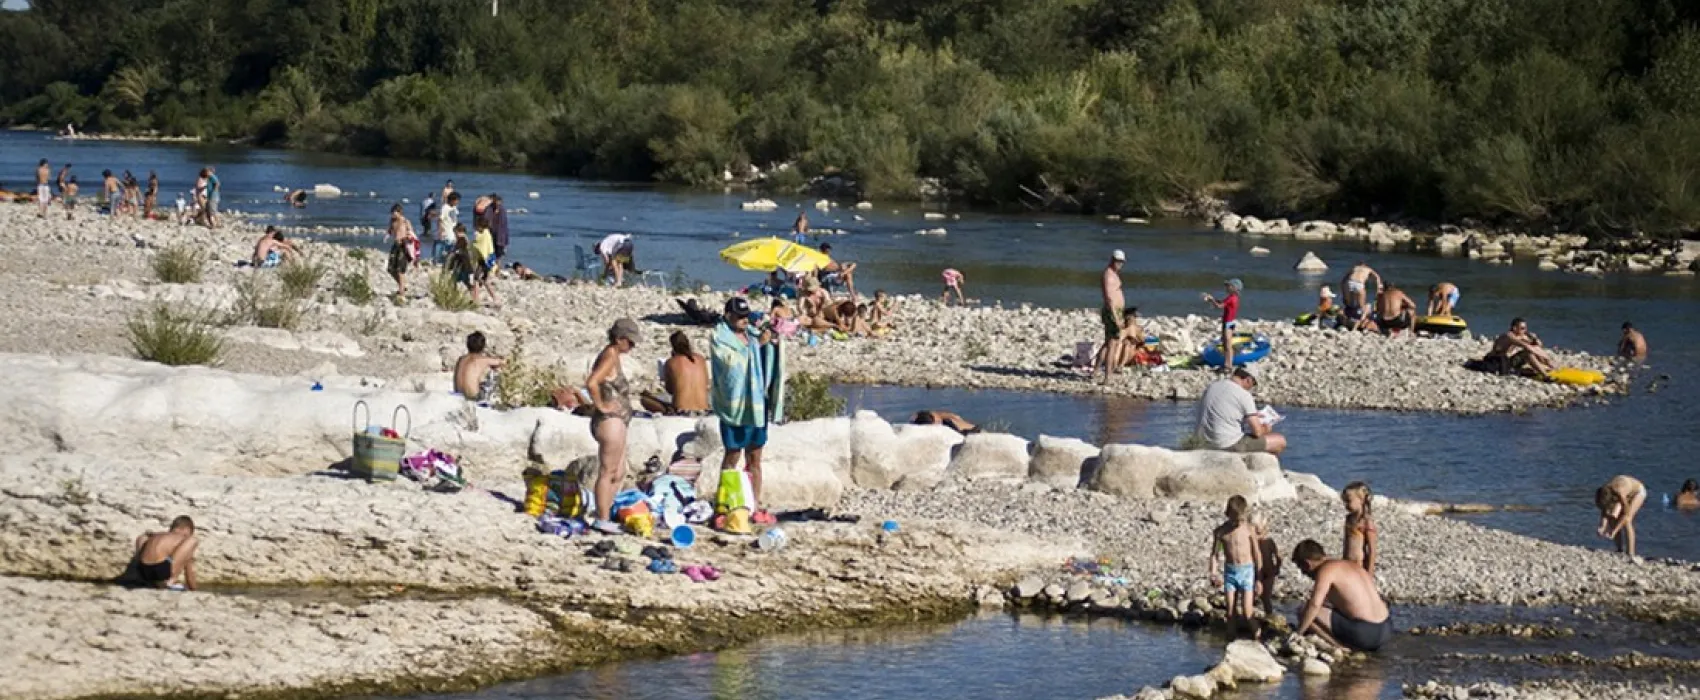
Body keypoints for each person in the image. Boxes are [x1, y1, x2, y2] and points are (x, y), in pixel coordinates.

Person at [712, 298, 777, 515]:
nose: (743, 320)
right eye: (739, 316)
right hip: (735, 406)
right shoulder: (720, 338)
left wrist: (769, 344)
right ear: (728, 315)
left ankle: (753, 503)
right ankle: (724, 500)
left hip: (756, 403)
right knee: (732, 454)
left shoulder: (752, 333)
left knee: (755, 456)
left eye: (745, 316)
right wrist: (758, 347)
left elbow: (765, 356)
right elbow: (730, 363)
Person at [587, 318, 642, 534]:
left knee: (618, 472)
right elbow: (592, 382)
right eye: (630, 342)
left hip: (618, 421)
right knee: (608, 470)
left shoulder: (613, 354)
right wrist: (601, 405)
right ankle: (601, 518)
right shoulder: (609, 355)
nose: (632, 346)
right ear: (619, 339)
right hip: (609, 422)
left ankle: (605, 513)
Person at [1291, 539, 1392, 652]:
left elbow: (1314, 605)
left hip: (1365, 633)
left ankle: (1339, 647)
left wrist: (1298, 633)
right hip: (1386, 629)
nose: (1304, 574)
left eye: (1301, 569)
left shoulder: (1326, 570)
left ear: (1307, 564)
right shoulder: (1351, 565)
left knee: (1303, 611)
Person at [1192, 365, 1286, 455]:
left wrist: (1247, 416)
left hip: (1203, 442)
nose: (1251, 388)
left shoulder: (1213, 386)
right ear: (1248, 380)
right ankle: (1267, 470)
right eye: (1253, 385)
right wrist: (1266, 428)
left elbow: (1223, 413)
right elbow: (1257, 432)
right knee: (1280, 441)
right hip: (1225, 444)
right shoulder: (1244, 395)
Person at [1210, 495, 1260, 634]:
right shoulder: (1221, 532)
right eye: (1235, 519)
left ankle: (1259, 639)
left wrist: (1259, 578)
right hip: (1230, 572)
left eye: (1241, 519)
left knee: (1247, 611)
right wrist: (1213, 573)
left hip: (1247, 571)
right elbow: (1215, 555)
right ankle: (1230, 641)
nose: (1238, 522)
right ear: (1228, 514)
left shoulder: (1249, 529)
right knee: (1230, 612)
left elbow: (1256, 554)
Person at [642, 331, 712, 416]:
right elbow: (706, 384)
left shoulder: (671, 362)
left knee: (645, 399)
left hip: (682, 411)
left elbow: (670, 390)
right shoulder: (701, 359)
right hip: (704, 409)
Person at [128, 516, 199, 591]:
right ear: (187, 529)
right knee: (193, 540)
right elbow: (189, 571)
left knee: (143, 537)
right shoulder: (183, 538)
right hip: (162, 571)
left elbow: (141, 538)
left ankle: (145, 580)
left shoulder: (157, 535)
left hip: (143, 571)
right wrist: (193, 589)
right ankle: (171, 581)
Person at [1596, 475, 1646, 558]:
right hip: (1624, 493)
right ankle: (1619, 549)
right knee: (1613, 518)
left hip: (1638, 492)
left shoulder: (1619, 492)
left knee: (1628, 521)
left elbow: (1626, 515)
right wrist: (1602, 526)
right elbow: (1605, 510)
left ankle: (1630, 552)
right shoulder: (1605, 491)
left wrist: (1614, 531)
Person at [1486, 317, 1555, 376]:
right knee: (1528, 353)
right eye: (1522, 328)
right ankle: (1545, 376)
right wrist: (1544, 356)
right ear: (1515, 328)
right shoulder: (1509, 336)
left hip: (1509, 361)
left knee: (1534, 352)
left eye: (1525, 328)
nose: (1525, 330)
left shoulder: (1521, 336)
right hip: (1498, 362)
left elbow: (1539, 346)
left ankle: (1553, 368)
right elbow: (1526, 346)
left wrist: (1535, 339)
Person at [1098, 250, 1128, 383]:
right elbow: (1110, 298)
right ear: (1112, 260)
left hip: (1116, 311)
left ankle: (1095, 371)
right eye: (1118, 261)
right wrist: (1116, 317)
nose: (1120, 264)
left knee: (1108, 343)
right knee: (1112, 344)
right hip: (1112, 312)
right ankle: (1107, 376)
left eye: (1122, 262)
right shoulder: (1109, 276)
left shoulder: (1114, 274)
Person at [1203, 278, 1243, 370]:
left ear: (1234, 288)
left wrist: (1211, 299)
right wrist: (1212, 299)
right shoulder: (1234, 298)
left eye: (1228, 286)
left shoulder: (1231, 298)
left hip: (1228, 323)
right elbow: (1222, 303)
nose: (1226, 288)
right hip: (1231, 323)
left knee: (1227, 345)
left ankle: (1228, 365)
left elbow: (1219, 306)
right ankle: (1228, 363)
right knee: (1227, 344)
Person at [453, 331, 505, 403]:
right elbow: (503, 363)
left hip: (458, 395)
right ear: (483, 346)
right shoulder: (482, 360)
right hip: (473, 397)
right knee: (494, 376)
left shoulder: (461, 359)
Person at [1341, 481, 1378, 574]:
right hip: (1347, 561)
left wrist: (1369, 572)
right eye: (1345, 502)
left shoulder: (1366, 522)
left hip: (1359, 564)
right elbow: (1346, 542)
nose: (1346, 505)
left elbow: (1371, 549)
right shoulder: (1349, 519)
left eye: (1349, 501)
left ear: (1361, 500)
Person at [1251, 511, 1280, 618]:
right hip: (1256, 571)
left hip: (1268, 571)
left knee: (1266, 597)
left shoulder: (1269, 541)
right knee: (1253, 595)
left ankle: (1269, 616)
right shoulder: (1252, 541)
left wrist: (1278, 566)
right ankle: (1251, 615)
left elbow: (1278, 555)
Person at [385, 204, 417, 298]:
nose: (392, 215)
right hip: (395, 245)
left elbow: (411, 233)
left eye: (394, 213)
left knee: (400, 269)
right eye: (392, 213)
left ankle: (401, 290)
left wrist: (408, 237)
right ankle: (403, 285)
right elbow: (390, 230)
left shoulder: (405, 221)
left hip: (404, 246)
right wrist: (387, 235)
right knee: (390, 269)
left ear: (399, 212)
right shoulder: (392, 221)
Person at [1342, 261, 1382, 331]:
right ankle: (1360, 321)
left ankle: (1349, 319)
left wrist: (1344, 291)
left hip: (1349, 282)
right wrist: (1378, 288)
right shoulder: (1368, 269)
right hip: (1359, 284)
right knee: (1362, 306)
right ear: (1365, 265)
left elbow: (1344, 279)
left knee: (1350, 304)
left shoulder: (1355, 267)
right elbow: (1377, 277)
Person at [436, 192, 461, 263]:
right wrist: (440, 231)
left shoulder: (454, 207)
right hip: (447, 231)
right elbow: (440, 219)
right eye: (457, 200)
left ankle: (449, 263)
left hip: (453, 231)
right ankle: (441, 262)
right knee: (446, 249)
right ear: (452, 200)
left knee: (452, 248)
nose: (457, 202)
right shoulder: (445, 208)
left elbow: (455, 218)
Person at [913, 410, 979, 435]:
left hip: (971, 430)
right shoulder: (946, 421)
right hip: (971, 430)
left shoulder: (946, 421)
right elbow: (957, 417)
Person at [487, 194, 510, 265]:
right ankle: (492, 268)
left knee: (499, 256)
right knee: (491, 254)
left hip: (500, 237)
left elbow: (505, 227)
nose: (498, 204)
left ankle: (497, 269)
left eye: (499, 203)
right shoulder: (490, 209)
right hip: (492, 235)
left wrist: (506, 241)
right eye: (496, 202)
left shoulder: (502, 211)